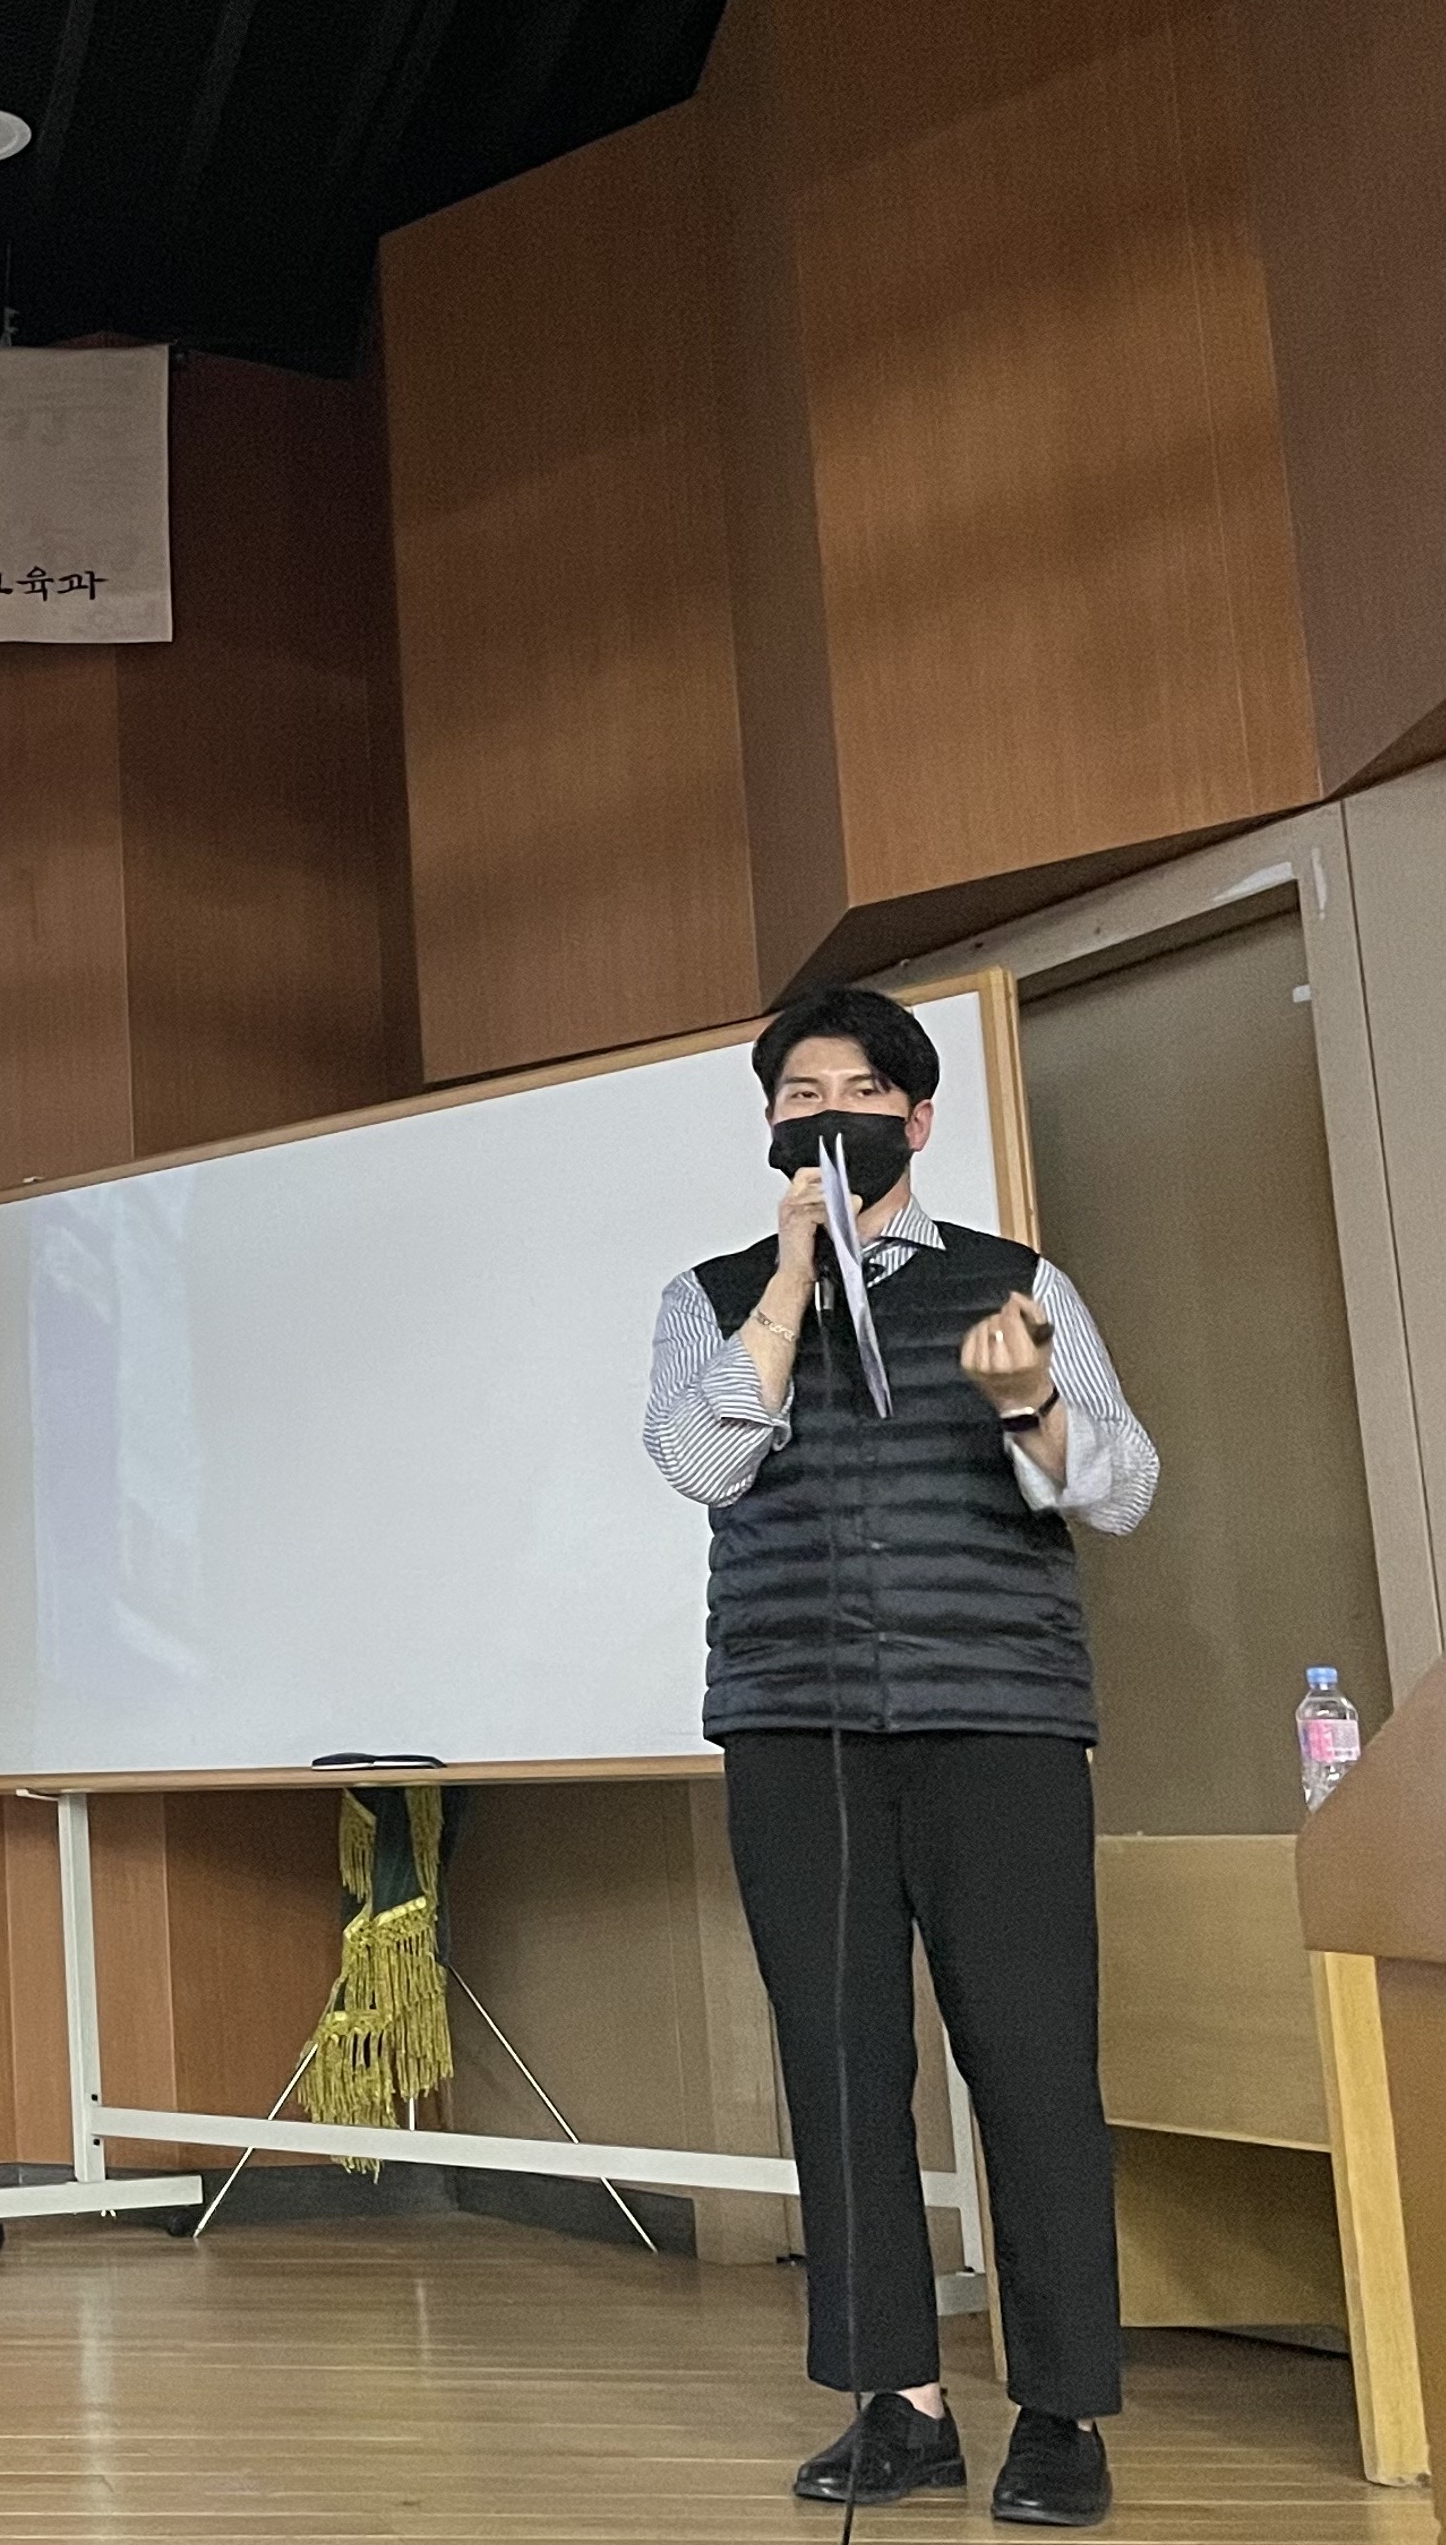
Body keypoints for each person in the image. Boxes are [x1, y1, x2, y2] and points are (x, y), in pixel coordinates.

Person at [645, 986, 1159, 2530]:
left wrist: (1028, 1404)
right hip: (792, 1725)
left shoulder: (1018, 1283)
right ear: (768, 1128)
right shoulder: (710, 1293)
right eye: (798, 1096)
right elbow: (699, 1459)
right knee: (838, 2059)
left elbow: (1121, 1486)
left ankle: (1059, 2412)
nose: (829, 1116)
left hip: (995, 1718)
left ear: (917, 1117)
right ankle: (896, 2403)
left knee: (1032, 2062)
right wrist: (789, 1281)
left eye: (860, 1091)